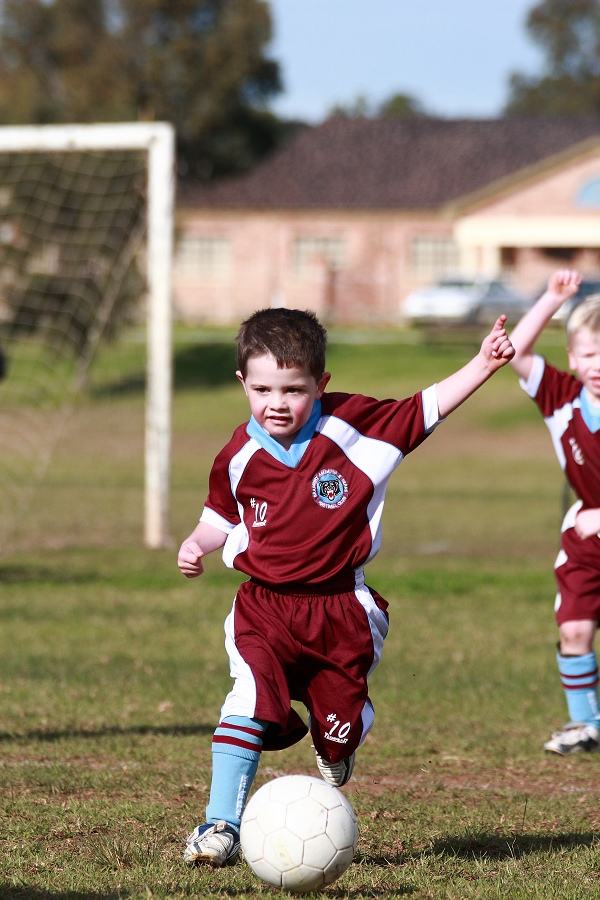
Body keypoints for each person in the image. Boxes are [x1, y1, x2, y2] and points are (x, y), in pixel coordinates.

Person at [177, 306, 515, 867]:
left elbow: (425, 407)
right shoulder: (238, 454)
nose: (276, 403)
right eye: (261, 389)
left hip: (341, 612)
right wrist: (197, 543)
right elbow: (220, 514)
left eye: (293, 389)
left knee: (335, 736)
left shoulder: (357, 429)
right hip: (263, 606)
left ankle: (340, 735)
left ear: (321, 384)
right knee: (244, 701)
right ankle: (220, 826)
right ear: (242, 384)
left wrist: (482, 363)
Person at [509, 268, 600, 756]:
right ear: (572, 357)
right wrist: (551, 298)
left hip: (594, 522)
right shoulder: (563, 397)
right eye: (588, 354)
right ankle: (585, 724)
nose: (598, 364)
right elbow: (516, 353)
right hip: (586, 540)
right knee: (575, 628)